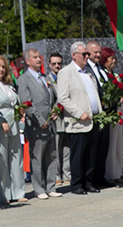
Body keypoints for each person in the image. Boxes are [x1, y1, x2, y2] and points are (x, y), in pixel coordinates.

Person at [57, 41, 102, 195]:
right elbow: (63, 98)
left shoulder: (88, 72)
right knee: (78, 155)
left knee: (91, 154)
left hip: (93, 119)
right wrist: (79, 113)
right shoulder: (66, 72)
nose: (87, 57)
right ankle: (76, 184)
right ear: (74, 55)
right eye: (84, 54)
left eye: (87, 54)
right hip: (78, 121)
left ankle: (88, 182)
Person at [0, 54, 27, 205]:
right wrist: (0, 121)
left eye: (3, 66)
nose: (1, 69)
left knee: (16, 161)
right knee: (2, 163)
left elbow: (16, 104)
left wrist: (21, 112)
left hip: (13, 127)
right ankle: (5, 194)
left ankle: (18, 192)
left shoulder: (10, 86)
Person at [19, 48, 61, 200]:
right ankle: (39, 188)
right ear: (28, 61)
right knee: (37, 157)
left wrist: (56, 110)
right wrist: (40, 120)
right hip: (37, 125)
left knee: (51, 156)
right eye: (35, 57)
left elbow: (54, 97)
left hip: (51, 124)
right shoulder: (24, 80)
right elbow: (27, 103)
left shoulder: (45, 77)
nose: (38, 59)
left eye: (39, 57)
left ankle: (51, 186)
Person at [86, 40, 111, 190]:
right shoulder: (86, 69)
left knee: (103, 147)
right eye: (95, 52)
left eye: (99, 52)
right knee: (93, 149)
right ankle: (91, 179)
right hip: (93, 114)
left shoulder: (101, 68)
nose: (98, 54)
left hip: (106, 113)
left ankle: (100, 177)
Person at [101, 47, 123, 187]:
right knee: (110, 145)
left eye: (114, 58)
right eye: (111, 58)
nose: (113, 61)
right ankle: (109, 174)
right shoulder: (102, 74)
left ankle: (117, 173)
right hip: (109, 112)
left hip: (118, 110)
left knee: (117, 145)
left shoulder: (115, 75)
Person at [48, 51, 70, 186]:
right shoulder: (47, 80)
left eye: (59, 63)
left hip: (67, 117)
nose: (57, 66)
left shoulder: (65, 77)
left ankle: (67, 174)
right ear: (50, 65)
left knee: (67, 149)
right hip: (55, 117)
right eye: (54, 63)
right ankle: (56, 175)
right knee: (56, 149)